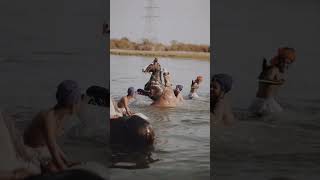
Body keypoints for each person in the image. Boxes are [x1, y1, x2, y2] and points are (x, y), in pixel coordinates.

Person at [23, 80, 82, 173]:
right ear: (73, 105)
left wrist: (67, 161)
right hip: (29, 151)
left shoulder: (61, 117)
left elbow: (53, 144)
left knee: (55, 166)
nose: (80, 105)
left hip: (41, 150)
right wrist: (64, 168)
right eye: (79, 101)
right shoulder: (48, 116)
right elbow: (52, 145)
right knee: (53, 169)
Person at [249, 47, 296, 115]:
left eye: (288, 63)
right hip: (266, 102)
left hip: (259, 101)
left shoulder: (273, 69)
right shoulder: (274, 69)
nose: (286, 65)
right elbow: (267, 79)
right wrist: (279, 82)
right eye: (285, 62)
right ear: (279, 60)